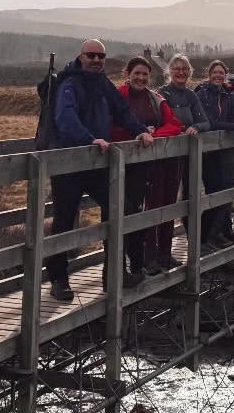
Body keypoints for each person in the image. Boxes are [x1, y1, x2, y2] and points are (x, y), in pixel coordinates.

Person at [43, 39, 154, 302]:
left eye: (100, 56)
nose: (96, 60)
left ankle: (113, 272)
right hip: (69, 163)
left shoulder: (102, 83)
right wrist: (89, 138)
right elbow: (65, 118)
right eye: (91, 55)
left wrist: (138, 130)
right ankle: (58, 280)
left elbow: (122, 109)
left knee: (123, 209)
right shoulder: (69, 83)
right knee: (64, 221)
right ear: (80, 57)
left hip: (96, 163)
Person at [110, 56, 187, 278]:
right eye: (137, 73)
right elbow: (111, 127)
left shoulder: (155, 98)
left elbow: (174, 123)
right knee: (136, 210)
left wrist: (154, 135)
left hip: (156, 161)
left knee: (162, 204)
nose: (141, 78)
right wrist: (138, 134)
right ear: (128, 74)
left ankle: (162, 253)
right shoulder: (118, 97)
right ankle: (143, 258)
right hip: (128, 165)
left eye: (145, 74)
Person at [149, 54, 210, 270]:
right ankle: (152, 254)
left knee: (174, 204)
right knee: (157, 203)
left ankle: (165, 253)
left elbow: (204, 121)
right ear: (169, 72)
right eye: (176, 68)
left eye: (185, 69)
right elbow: (157, 123)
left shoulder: (191, 96)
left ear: (189, 72)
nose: (181, 72)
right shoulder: (160, 95)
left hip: (182, 158)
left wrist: (196, 128)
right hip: (161, 158)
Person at [193, 59, 234, 248]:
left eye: (221, 72)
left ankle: (221, 231)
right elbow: (211, 122)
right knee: (214, 191)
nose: (218, 75)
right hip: (208, 152)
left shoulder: (227, 95)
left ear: (225, 74)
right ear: (209, 74)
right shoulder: (202, 94)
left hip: (225, 151)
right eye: (215, 72)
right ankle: (206, 237)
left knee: (228, 188)